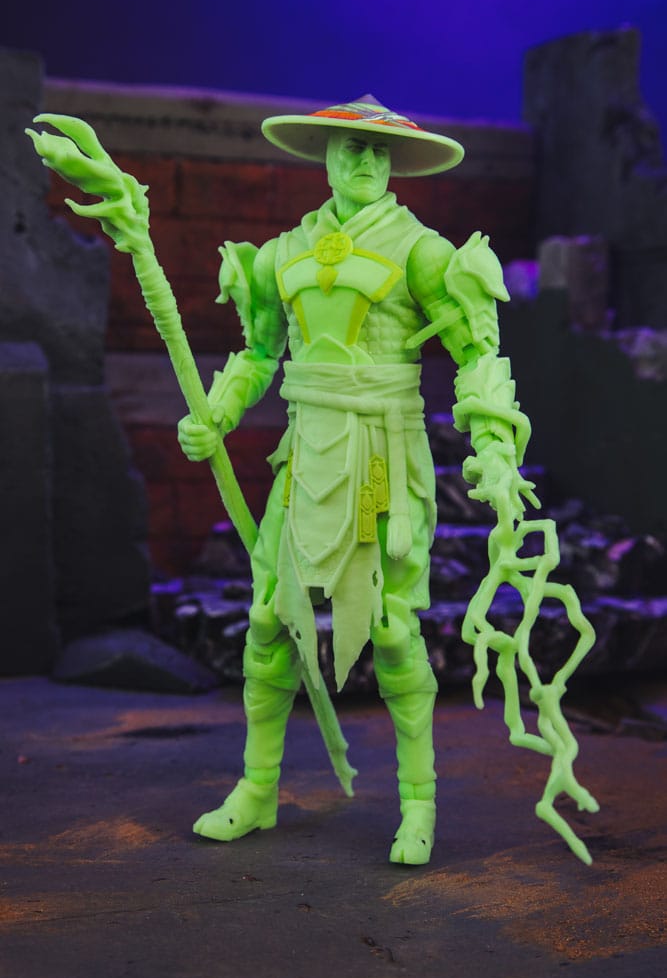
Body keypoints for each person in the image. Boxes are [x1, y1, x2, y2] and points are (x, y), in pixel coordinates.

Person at [177, 96, 537, 865]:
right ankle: (257, 788)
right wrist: (218, 411)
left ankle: (417, 804)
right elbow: (259, 352)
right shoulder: (279, 254)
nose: (365, 161)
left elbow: (477, 354)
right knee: (268, 622)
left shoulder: (424, 252)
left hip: (384, 451)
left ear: (395, 163)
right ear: (326, 156)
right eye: (350, 148)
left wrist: (492, 446)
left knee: (394, 630)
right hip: (305, 453)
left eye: (378, 151)